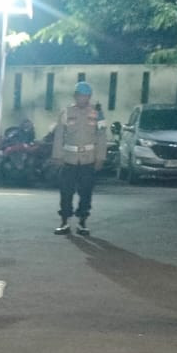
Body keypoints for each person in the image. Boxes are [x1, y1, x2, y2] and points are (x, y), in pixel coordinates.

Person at [52, 81, 107, 236]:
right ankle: (64, 222)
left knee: (86, 192)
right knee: (66, 192)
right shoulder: (66, 112)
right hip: (69, 158)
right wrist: (57, 156)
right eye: (80, 95)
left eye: (86, 96)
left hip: (88, 159)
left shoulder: (97, 113)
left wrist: (100, 158)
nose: (83, 98)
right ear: (75, 96)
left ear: (89, 97)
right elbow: (59, 136)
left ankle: (82, 222)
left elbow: (102, 136)